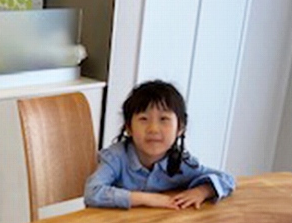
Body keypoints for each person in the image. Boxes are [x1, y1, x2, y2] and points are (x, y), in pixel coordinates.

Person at [84, 80, 235, 210]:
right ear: (129, 128)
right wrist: (147, 199)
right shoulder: (116, 158)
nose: (153, 129)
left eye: (164, 119)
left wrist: (202, 191)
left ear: (180, 128)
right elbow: (92, 192)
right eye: (144, 119)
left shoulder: (181, 163)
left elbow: (226, 179)